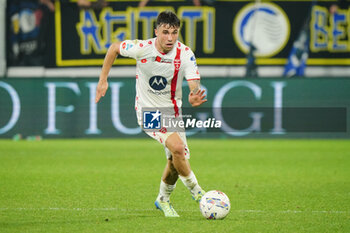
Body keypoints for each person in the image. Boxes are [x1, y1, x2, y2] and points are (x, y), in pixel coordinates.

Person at [95, 11, 207, 217]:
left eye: (174, 32)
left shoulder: (185, 54)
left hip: (172, 112)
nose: (170, 38)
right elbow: (113, 49)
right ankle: (199, 193)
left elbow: (193, 83)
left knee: (176, 160)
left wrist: (193, 94)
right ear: (156, 32)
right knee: (177, 147)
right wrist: (103, 80)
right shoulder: (142, 48)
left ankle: (163, 199)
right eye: (165, 32)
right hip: (147, 111)